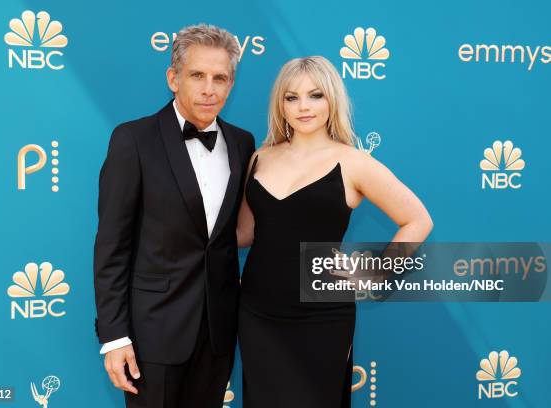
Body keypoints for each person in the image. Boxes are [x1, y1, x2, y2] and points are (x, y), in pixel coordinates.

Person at [236, 56, 433, 407]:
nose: (303, 107)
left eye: (315, 95)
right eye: (291, 97)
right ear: (280, 104)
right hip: (257, 311)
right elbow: (244, 233)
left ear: (332, 100)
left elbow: (418, 220)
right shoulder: (259, 158)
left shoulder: (354, 162)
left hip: (321, 315)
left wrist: (376, 272)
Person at [93, 24, 255, 408]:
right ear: (173, 78)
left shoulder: (242, 143)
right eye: (197, 75)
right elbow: (113, 245)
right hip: (153, 332)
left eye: (220, 78)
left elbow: (233, 233)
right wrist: (115, 337)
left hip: (218, 331)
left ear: (231, 84)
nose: (208, 88)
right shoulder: (133, 139)